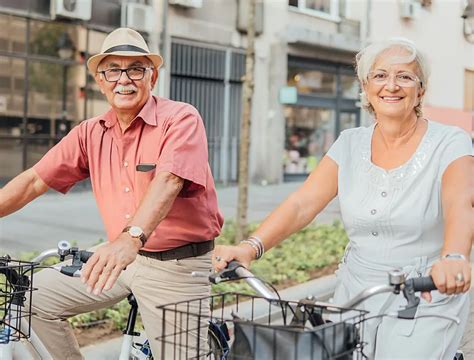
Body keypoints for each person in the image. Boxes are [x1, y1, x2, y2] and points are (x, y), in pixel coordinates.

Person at [214, 38, 473, 359]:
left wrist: (454, 258)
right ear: (365, 86)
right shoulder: (350, 143)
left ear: (420, 90)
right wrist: (250, 247)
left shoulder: (450, 141)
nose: (391, 85)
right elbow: (303, 203)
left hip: (425, 289)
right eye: (380, 76)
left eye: (405, 76)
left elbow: (461, 202)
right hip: (357, 288)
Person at [0, 27, 223, 359]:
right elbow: (34, 181)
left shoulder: (180, 118)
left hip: (175, 265)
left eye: (135, 68)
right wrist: (123, 245)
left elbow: (169, 181)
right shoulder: (91, 132)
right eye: (113, 70)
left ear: (153, 77)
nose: (124, 79)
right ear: (100, 80)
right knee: (30, 301)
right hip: (117, 257)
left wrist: (130, 238)